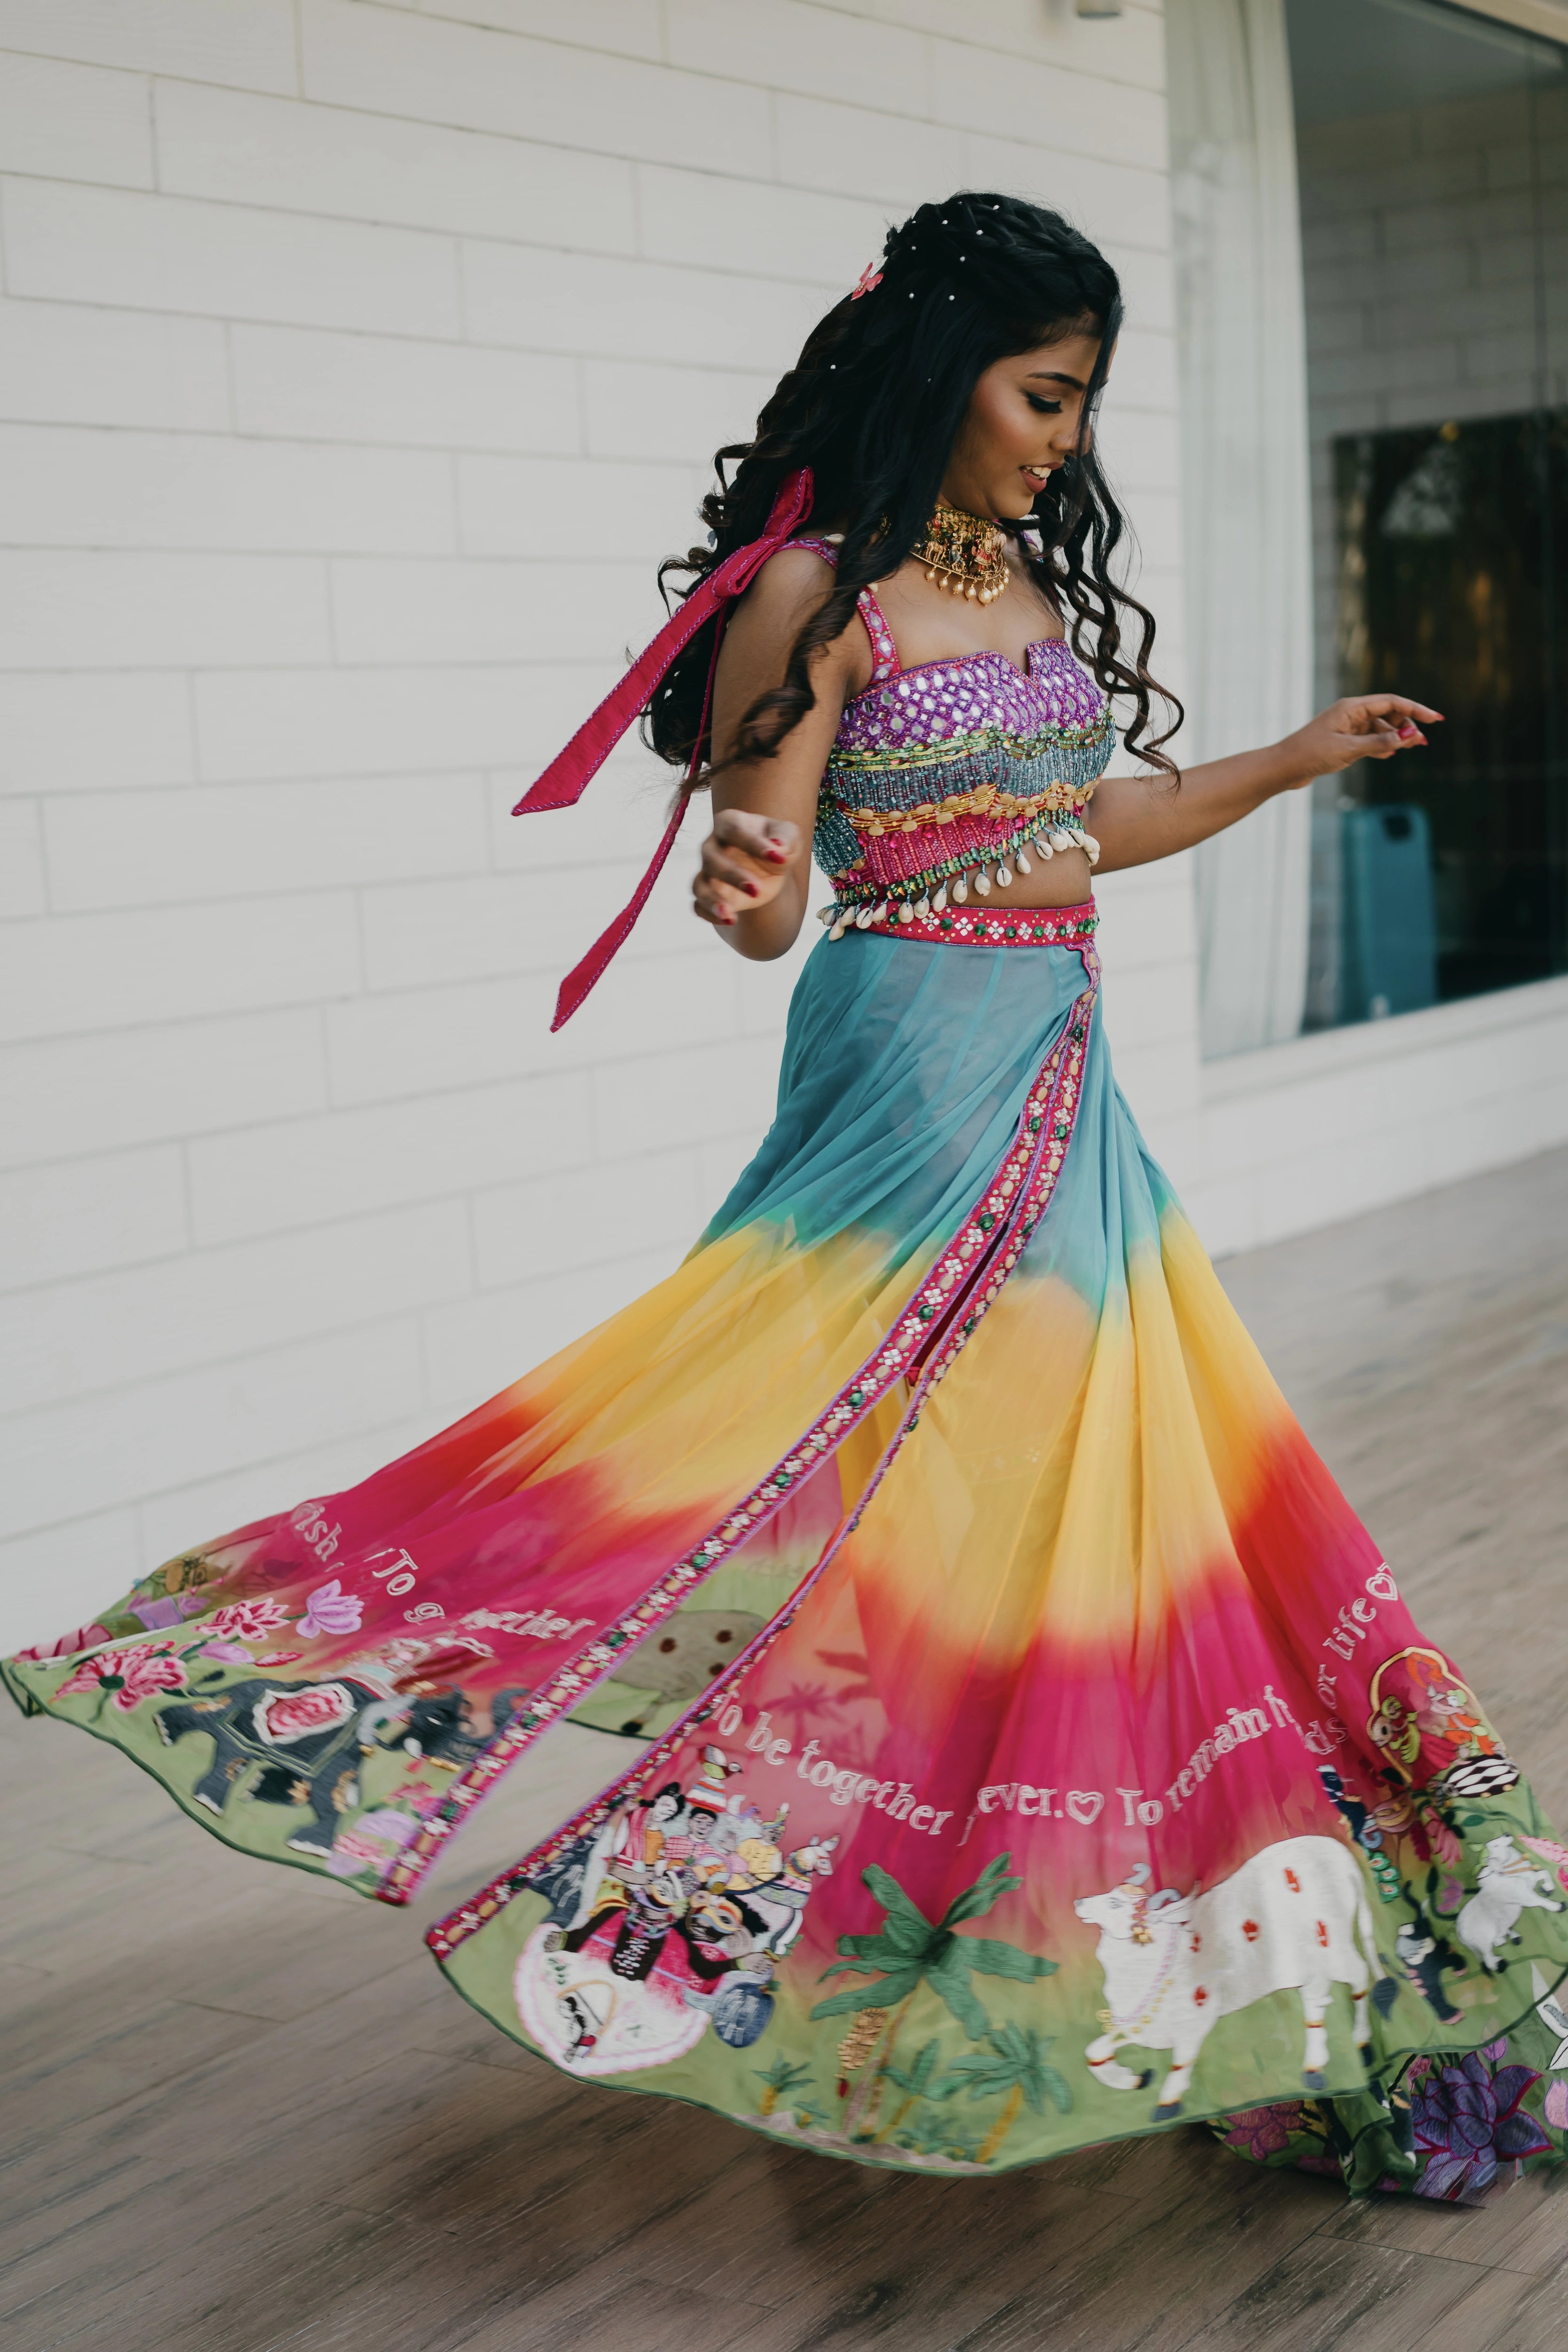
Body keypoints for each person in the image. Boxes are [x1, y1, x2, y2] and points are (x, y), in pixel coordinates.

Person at [7, 194, 1565, 2199]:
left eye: (1081, 399)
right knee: (833, 1445)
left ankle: (1049, 1887)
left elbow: (1091, 819)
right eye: (1040, 392)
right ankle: (800, 1853)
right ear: (942, 370)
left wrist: (1284, 758)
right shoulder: (813, 598)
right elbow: (765, 876)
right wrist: (748, 888)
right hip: (906, 1059)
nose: (1061, 438)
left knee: (1065, 1495)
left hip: (1061, 1067)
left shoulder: (1012, 580)